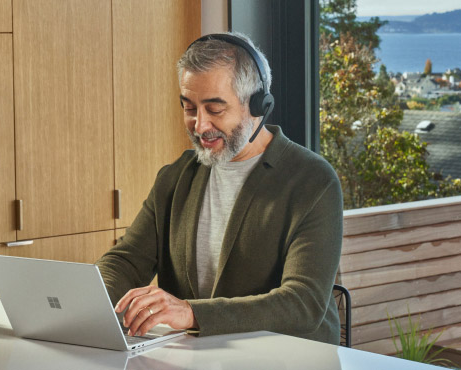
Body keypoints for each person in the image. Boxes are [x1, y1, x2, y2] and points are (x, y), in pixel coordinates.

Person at [95, 32, 343, 345]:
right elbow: (125, 261)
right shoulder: (176, 177)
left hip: (287, 359)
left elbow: (303, 303)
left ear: (257, 105)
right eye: (189, 108)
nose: (199, 126)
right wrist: (91, 299)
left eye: (214, 109)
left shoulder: (312, 181)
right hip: (200, 357)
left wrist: (191, 313)